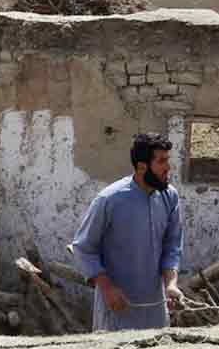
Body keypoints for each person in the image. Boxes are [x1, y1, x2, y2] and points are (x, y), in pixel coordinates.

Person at [71, 133, 185, 331]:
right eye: (162, 161)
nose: (168, 167)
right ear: (142, 166)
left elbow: (172, 246)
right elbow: (83, 248)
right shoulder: (109, 200)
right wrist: (107, 288)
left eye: (168, 160)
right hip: (116, 310)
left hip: (155, 312)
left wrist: (171, 285)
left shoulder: (169, 197)